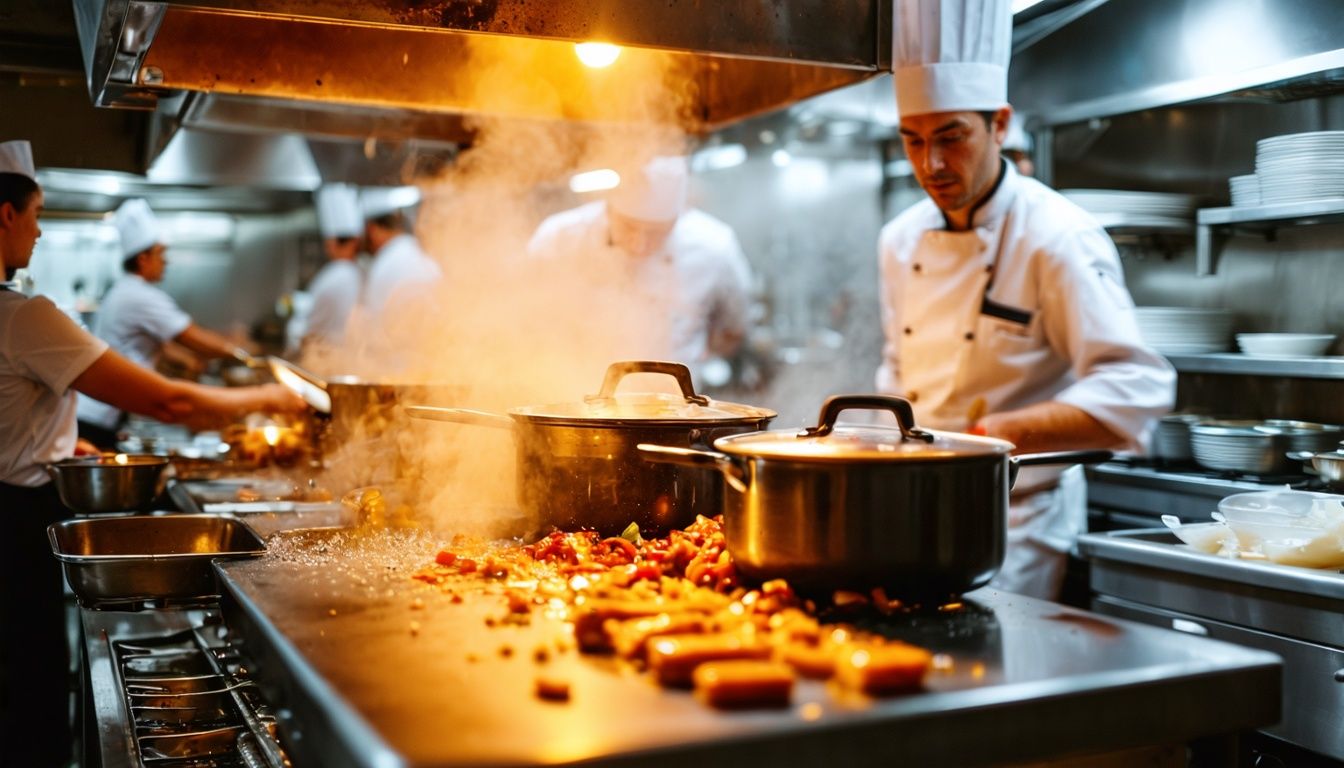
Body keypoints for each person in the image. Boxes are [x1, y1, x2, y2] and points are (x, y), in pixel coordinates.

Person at [0, 139, 303, 767]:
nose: (39, 231)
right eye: (36, 215)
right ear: (6, 216)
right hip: (14, 525)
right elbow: (170, 403)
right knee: (28, 684)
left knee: (15, 678)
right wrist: (274, 396)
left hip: (13, 507)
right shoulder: (23, 314)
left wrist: (54, 441)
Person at [876, 0, 1174, 600]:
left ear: (1001, 124)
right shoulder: (899, 238)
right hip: (911, 507)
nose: (931, 164)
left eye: (951, 137)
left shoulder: (1058, 236)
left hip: (1019, 518)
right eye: (913, 141)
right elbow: (897, 366)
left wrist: (994, 433)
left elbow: (1137, 387)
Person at [526, 155, 752, 378]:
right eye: (628, 227)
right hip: (570, 392)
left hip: (674, 407)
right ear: (609, 210)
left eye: (658, 232)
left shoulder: (715, 246)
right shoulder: (558, 238)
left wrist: (701, 359)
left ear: (678, 217)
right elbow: (525, 317)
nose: (640, 244)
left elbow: (732, 329)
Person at [76, 198, 257, 447]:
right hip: (97, 418)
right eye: (161, 253)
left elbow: (166, 346)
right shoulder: (140, 296)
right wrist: (246, 357)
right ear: (143, 259)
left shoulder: (123, 291)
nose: (166, 261)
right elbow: (192, 337)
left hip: (96, 411)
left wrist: (189, 361)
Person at [288, 183, 364, 366]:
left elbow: (309, 332)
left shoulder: (334, 276)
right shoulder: (361, 274)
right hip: (351, 362)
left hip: (324, 365)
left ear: (330, 243)